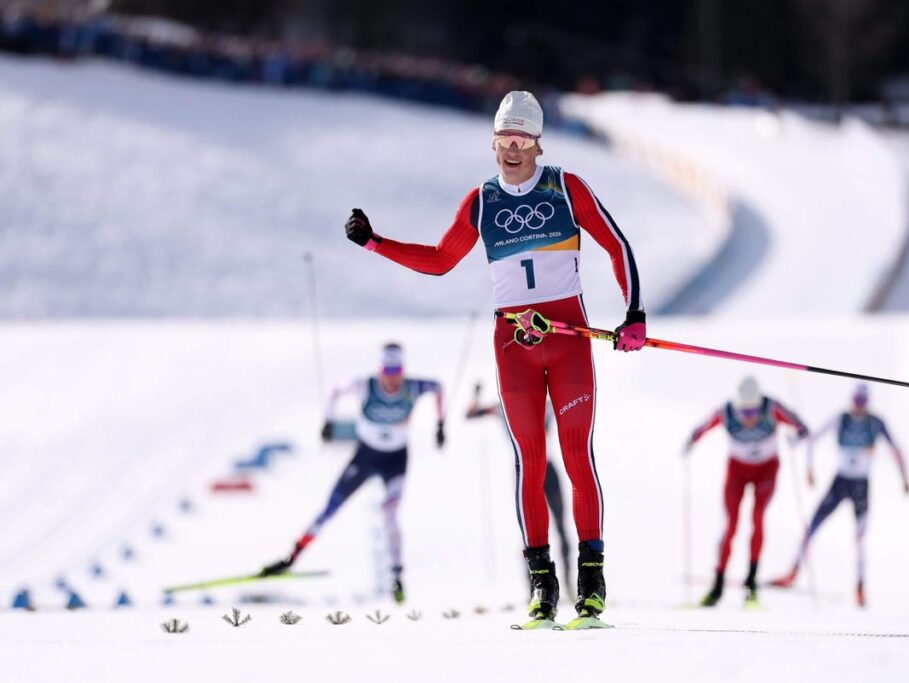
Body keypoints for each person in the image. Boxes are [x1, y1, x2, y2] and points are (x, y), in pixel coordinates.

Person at [344, 91, 645, 626]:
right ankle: (542, 590)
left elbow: (617, 246)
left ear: (537, 144)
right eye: (504, 140)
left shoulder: (566, 188)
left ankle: (593, 585)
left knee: (576, 455)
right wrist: (374, 243)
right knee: (528, 462)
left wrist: (634, 313)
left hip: (569, 338)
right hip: (514, 349)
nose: (512, 150)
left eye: (522, 140)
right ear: (493, 144)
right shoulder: (481, 202)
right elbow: (440, 261)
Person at [260, 342, 444, 604]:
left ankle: (397, 576)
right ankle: (291, 558)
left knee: (390, 514)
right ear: (379, 369)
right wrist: (328, 421)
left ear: (403, 369)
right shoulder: (365, 385)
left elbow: (439, 388)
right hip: (366, 456)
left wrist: (441, 424)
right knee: (329, 508)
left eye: (397, 370)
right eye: (387, 369)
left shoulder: (413, 388)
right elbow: (335, 390)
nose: (391, 376)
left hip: (396, 460)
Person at [772, 384, 909, 607]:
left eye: (861, 402)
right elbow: (814, 438)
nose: (858, 407)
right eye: (856, 402)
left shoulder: (876, 423)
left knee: (860, 537)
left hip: (860, 486)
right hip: (840, 481)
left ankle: (860, 587)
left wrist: (904, 477)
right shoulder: (841, 418)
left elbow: (895, 450)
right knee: (813, 525)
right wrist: (808, 469)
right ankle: (792, 572)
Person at [684, 376, 808, 607]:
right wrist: (691, 441)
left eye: (753, 412)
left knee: (758, 518)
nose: (749, 418)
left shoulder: (772, 408)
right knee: (731, 525)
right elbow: (702, 427)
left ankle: (751, 585)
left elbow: (802, 427)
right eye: (744, 413)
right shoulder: (727, 411)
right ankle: (717, 586)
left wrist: (795, 438)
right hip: (737, 472)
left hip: (766, 471)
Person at [465, 383, 572, 589]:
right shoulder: (502, 407)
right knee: (530, 531)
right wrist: (475, 395)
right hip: (523, 472)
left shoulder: (545, 405)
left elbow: (568, 403)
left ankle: (568, 583)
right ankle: (533, 586)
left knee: (560, 525)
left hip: (547, 470)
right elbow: (470, 415)